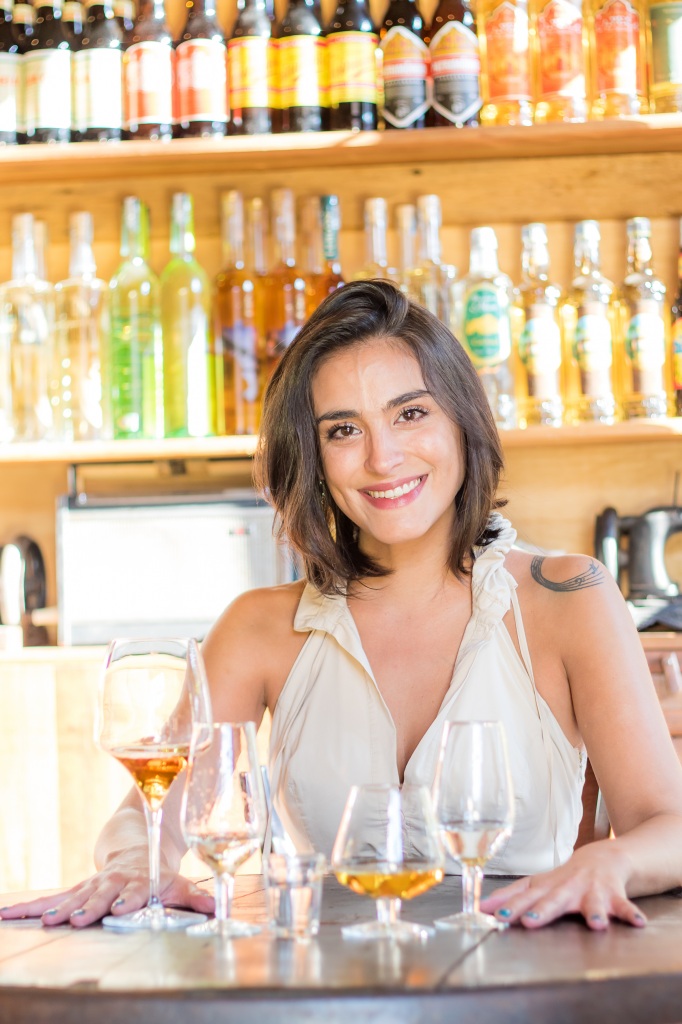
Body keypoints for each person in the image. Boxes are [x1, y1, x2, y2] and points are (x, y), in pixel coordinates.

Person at [5, 279, 682, 931]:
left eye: (410, 413)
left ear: (462, 421)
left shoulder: (570, 598)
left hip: (526, 976)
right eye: (343, 430)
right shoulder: (258, 630)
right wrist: (136, 864)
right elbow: (144, 816)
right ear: (313, 457)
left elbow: (669, 827)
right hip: (325, 983)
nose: (383, 458)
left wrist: (609, 861)